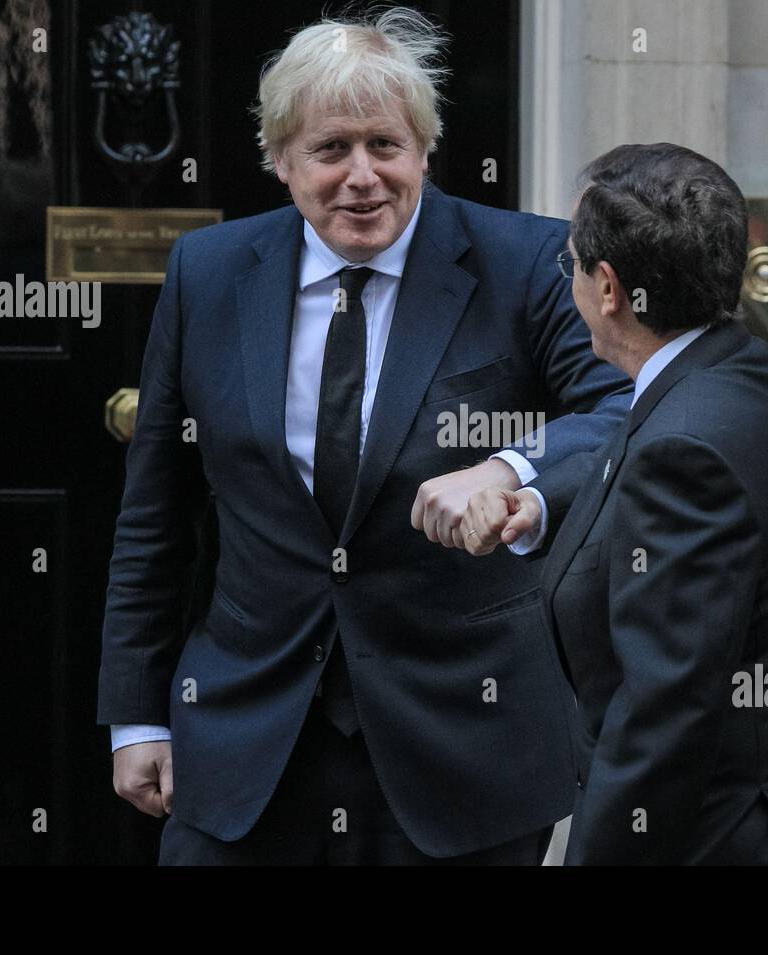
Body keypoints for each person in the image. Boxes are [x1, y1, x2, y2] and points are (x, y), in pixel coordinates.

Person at [96, 7, 630, 865]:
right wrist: (138, 714)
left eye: (386, 145)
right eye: (330, 149)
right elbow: (155, 512)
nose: (362, 177)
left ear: (424, 148)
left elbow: (625, 412)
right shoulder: (210, 273)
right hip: (246, 740)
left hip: (463, 744)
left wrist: (509, 467)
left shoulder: (527, 261)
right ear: (281, 160)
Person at [461, 143, 768, 864]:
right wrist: (541, 506)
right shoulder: (756, 378)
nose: (572, 280)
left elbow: (662, 717)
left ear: (610, 288)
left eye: (572, 264)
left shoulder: (686, 447)